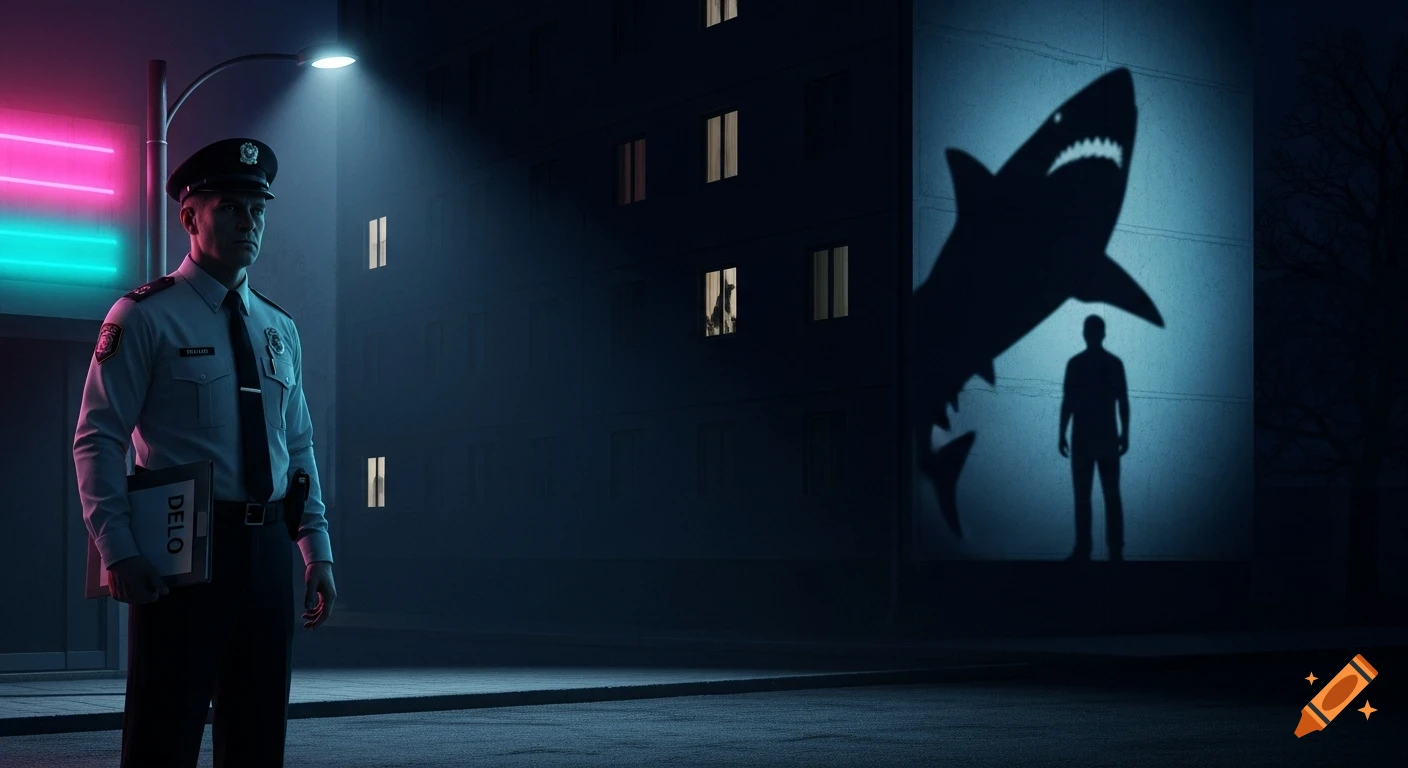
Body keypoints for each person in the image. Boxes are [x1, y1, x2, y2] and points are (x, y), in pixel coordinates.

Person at [72, 137, 337, 767]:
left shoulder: (278, 328)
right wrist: (118, 549)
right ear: (191, 217)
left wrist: (316, 549)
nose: (249, 223)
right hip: (183, 548)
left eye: (257, 211)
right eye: (231, 208)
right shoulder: (143, 318)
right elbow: (98, 438)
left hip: (268, 545)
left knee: (257, 735)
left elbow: (296, 446)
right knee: (164, 733)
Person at [1057, 315, 1129, 561]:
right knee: (1106, 494)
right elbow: (1122, 401)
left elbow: (1069, 402)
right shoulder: (1112, 363)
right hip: (1102, 437)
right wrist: (1125, 433)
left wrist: (1062, 433)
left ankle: (1088, 547)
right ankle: (1109, 548)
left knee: (1088, 495)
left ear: (1085, 334)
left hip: (1087, 439)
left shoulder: (1076, 364)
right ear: (1102, 333)